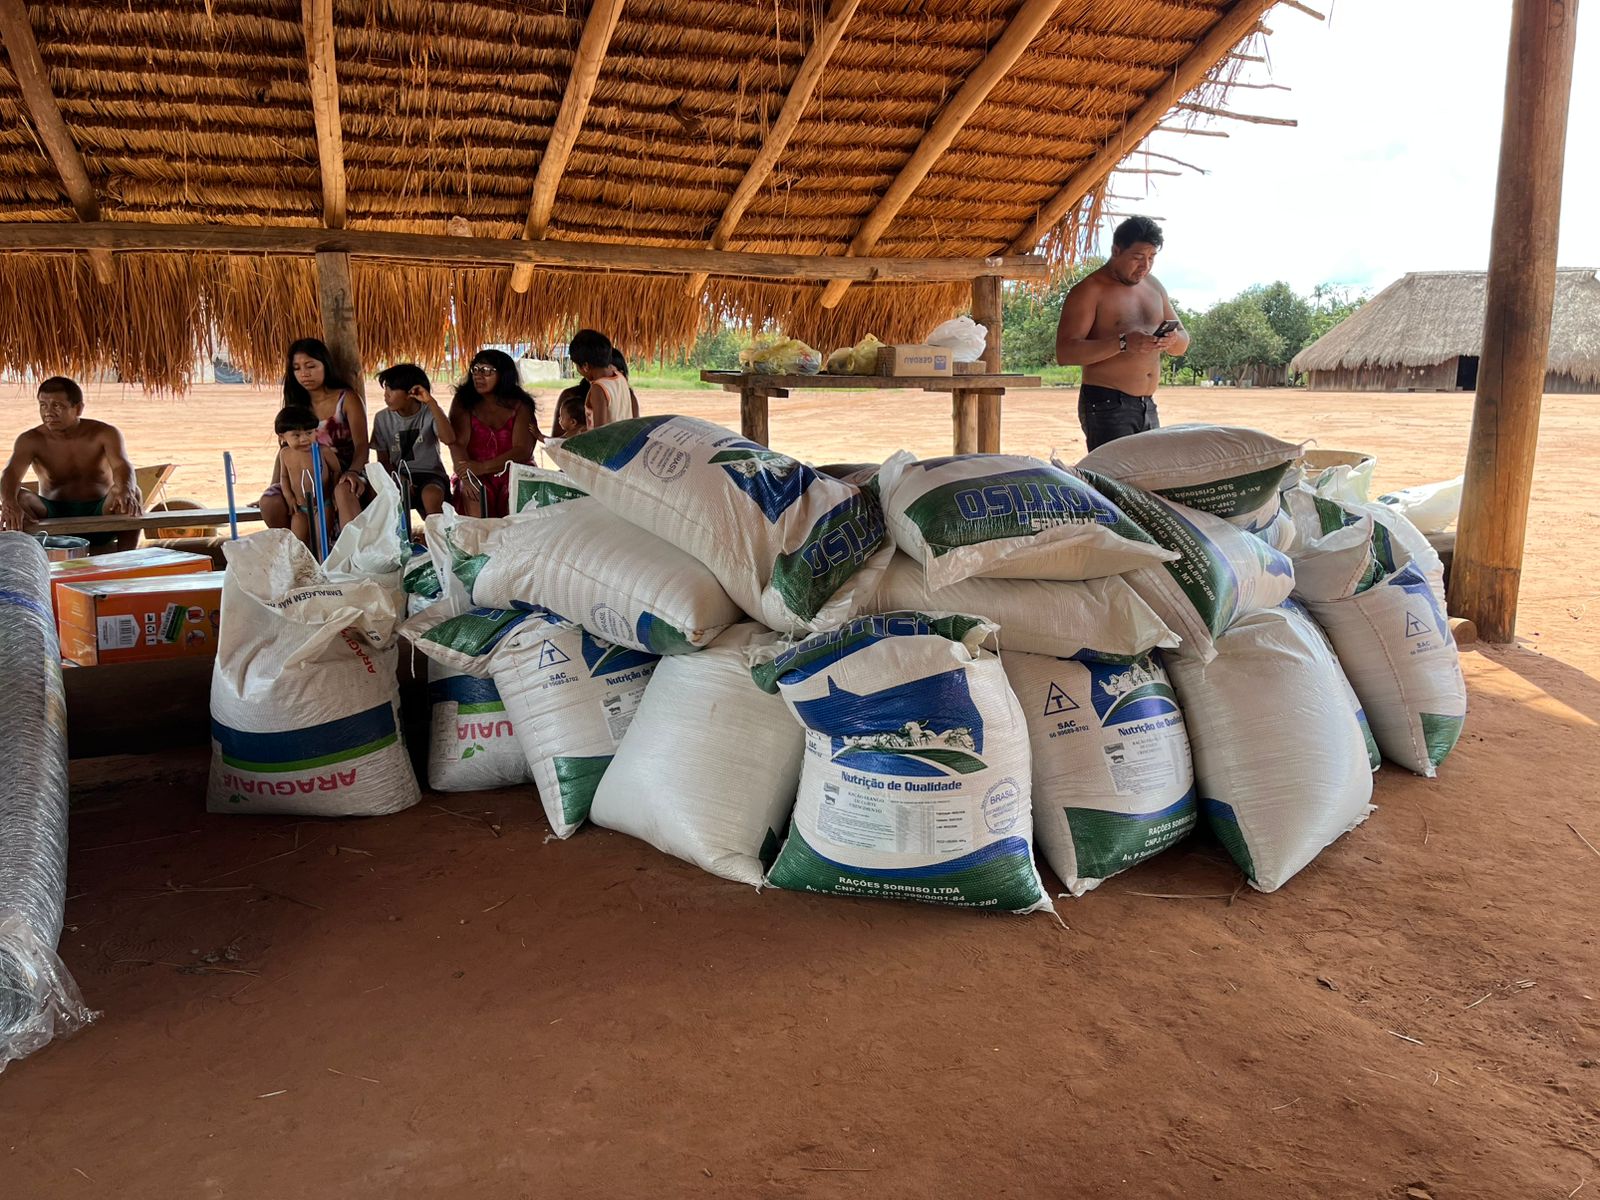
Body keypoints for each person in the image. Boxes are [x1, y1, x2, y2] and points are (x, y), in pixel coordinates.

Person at [1054, 215, 1190, 451]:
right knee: (1113, 474)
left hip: (1147, 404)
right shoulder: (1090, 290)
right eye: (1137, 257)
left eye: (1151, 258)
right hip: (1106, 403)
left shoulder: (1154, 286)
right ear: (1116, 250)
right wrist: (1122, 343)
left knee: (1150, 472)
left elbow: (1183, 342)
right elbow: (1065, 352)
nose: (1145, 266)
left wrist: (1172, 339)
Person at [1, 376, 142, 552]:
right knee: (18, 498)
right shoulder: (30, 440)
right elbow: (11, 473)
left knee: (132, 492)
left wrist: (126, 488)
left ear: (78, 408)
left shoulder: (104, 433)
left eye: (57, 406)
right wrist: (8, 502)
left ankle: (127, 555)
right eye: (43, 405)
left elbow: (121, 465)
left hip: (101, 512)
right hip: (52, 517)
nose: (48, 412)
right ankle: (32, 555)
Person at [258, 338, 370, 528]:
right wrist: (274, 485)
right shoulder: (296, 405)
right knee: (269, 501)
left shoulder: (347, 399)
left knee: (344, 490)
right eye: (297, 368)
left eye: (310, 366)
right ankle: (291, 546)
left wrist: (353, 472)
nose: (304, 373)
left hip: (343, 472)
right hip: (303, 477)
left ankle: (351, 545)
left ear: (325, 365)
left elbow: (362, 445)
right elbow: (285, 450)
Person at [448, 348, 540, 518]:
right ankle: (479, 535)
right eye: (475, 369)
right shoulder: (463, 401)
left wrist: (483, 467)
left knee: (517, 496)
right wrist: (467, 478)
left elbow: (522, 450)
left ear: (503, 375)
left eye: (486, 371)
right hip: (474, 472)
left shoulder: (521, 404)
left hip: (514, 471)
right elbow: (457, 444)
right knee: (473, 494)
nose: (478, 375)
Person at [372, 363, 455, 517]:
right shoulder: (382, 418)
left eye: (391, 389)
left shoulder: (430, 412)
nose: (386, 395)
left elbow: (449, 438)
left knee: (431, 496)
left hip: (430, 475)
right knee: (383, 498)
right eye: (385, 389)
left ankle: (437, 531)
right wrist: (398, 477)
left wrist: (431, 402)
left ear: (412, 392)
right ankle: (399, 532)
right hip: (398, 474)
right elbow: (382, 460)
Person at [273, 406, 345, 552]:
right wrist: (289, 497)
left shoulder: (323, 451)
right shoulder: (284, 454)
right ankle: (302, 567)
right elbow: (284, 477)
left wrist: (333, 493)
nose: (304, 439)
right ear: (282, 437)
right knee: (297, 545)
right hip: (300, 508)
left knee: (321, 543)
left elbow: (337, 470)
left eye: (309, 433)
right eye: (296, 435)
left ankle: (322, 565)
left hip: (323, 505)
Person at [568, 329, 640, 428]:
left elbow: (600, 431)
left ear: (585, 366)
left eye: (577, 365)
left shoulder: (598, 388)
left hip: (608, 438)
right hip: (623, 436)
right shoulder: (620, 377)